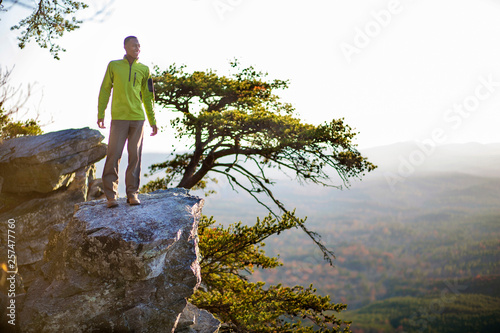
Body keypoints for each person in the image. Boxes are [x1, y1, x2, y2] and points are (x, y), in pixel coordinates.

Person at [97, 36, 158, 208]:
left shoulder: (145, 69)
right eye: (133, 45)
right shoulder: (114, 66)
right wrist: (101, 113)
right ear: (125, 47)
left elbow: (148, 96)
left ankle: (132, 194)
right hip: (119, 118)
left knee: (135, 156)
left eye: (139, 45)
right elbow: (105, 89)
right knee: (113, 155)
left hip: (138, 119)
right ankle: (111, 196)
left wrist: (152, 120)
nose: (137, 47)